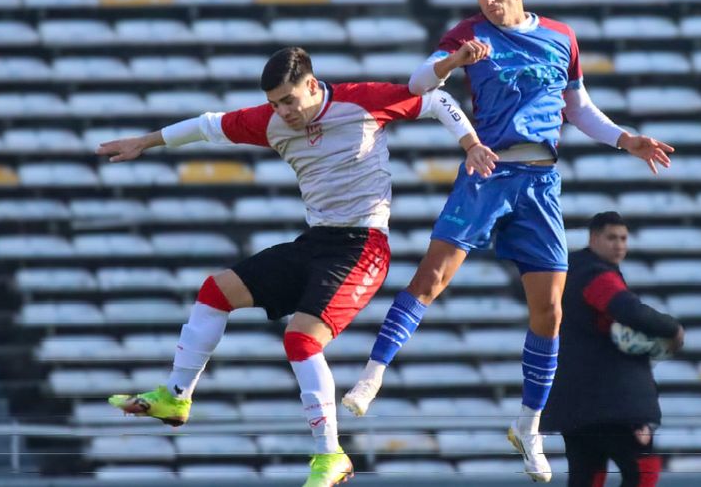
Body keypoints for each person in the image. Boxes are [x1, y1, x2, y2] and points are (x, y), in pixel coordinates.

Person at [343, 0, 676, 482]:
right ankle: (371, 376)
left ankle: (528, 425)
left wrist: (625, 139)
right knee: (431, 278)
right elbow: (415, 83)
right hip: (488, 169)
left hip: (541, 183)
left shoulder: (562, 37)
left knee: (550, 313)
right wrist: (452, 63)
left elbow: (577, 106)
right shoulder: (467, 34)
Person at [102, 47, 496, 487]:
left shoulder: (360, 100)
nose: (283, 112)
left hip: (363, 248)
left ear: (312, 85)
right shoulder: (269, 122)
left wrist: (471, 144)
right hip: (315, 242)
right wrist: (145, 141)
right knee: (216, 291)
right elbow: (208, 126)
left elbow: (435, 100)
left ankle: (332, 456)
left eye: (289, 100)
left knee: (301, 339)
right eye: (274, 104)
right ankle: (176, 397)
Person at [541, 212, 682, 487]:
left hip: (577, 405)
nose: (619, 245)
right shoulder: (594, 274)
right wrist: (672, 329)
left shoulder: (571, 273)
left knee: (587, 476)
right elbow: (627, 309)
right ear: (594, 239)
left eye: (624, 238)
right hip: (613, 402)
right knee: (643, 470)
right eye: (611, 237)